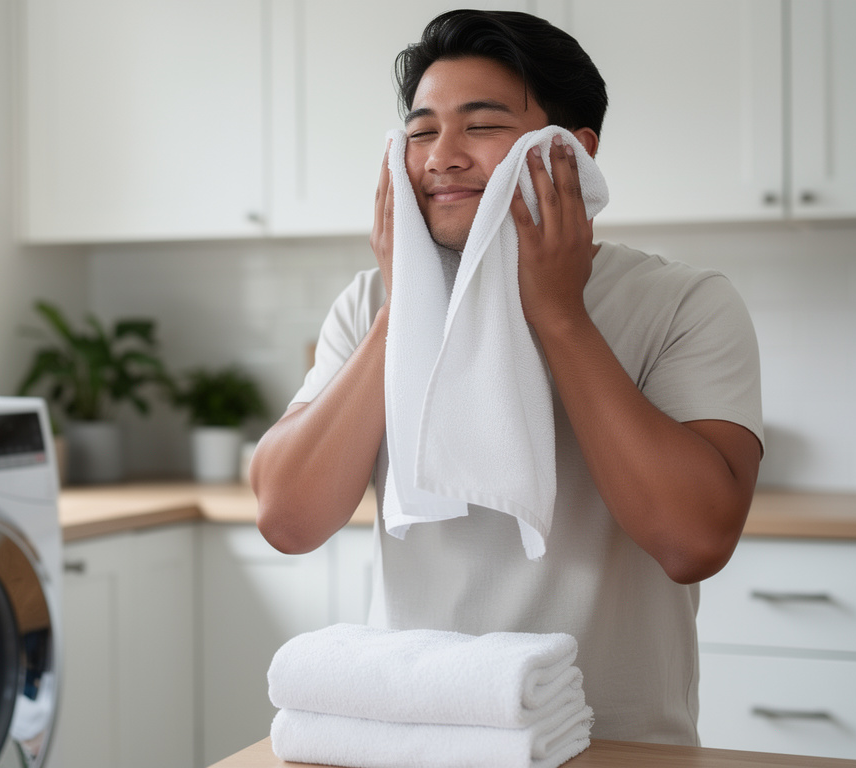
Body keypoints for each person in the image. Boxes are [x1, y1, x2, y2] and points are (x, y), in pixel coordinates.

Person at [249, 9, 763, 746]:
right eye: (421, 131)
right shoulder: (370, 305)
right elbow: (287, 519)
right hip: (410, 742)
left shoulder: (683, 303)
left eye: (481, 126)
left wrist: (560, 317)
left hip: (614, 748)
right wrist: (405, 311)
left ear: (574, 153)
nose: (441, 157)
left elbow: (693, 541)